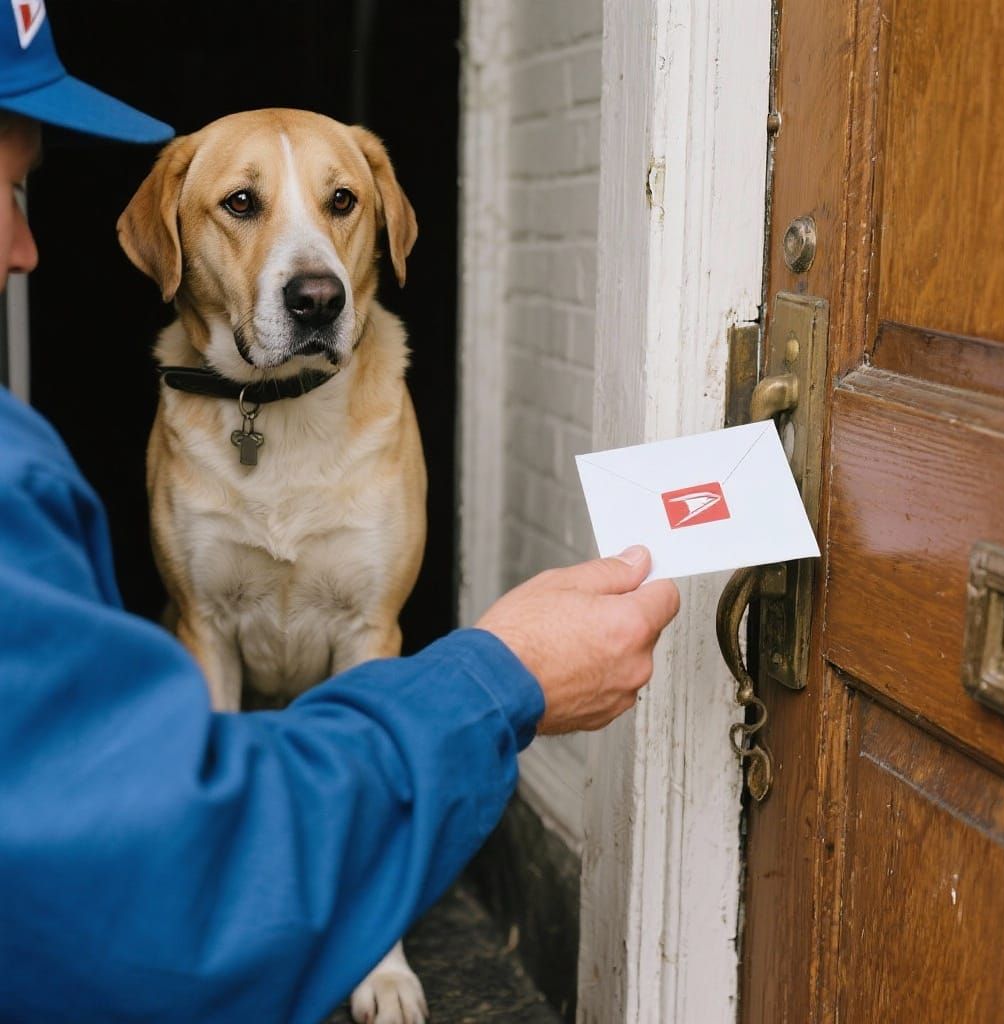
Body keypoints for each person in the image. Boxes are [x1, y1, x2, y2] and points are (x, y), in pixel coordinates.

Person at [0, 10, 680, 1024]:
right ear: (173, 241)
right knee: (204, 627)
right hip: (231, 761)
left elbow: (375, 637)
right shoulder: (35, 472)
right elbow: (203, 647)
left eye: (337, 208)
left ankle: (368, 934)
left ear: (381, 232)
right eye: (242, 206)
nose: (306, 268)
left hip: (332, 737)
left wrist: (372, 933)